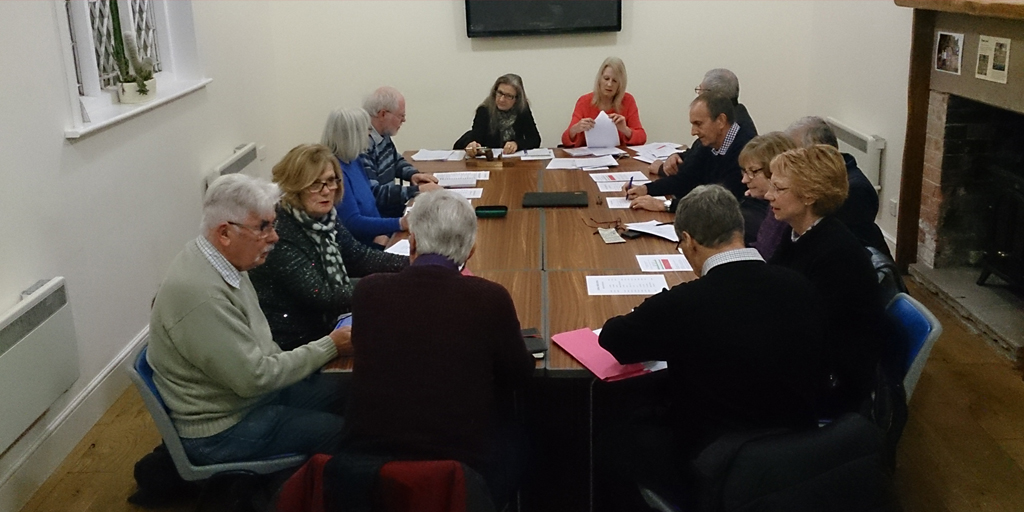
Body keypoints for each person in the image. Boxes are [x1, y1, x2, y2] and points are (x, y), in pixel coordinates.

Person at [595, 184, 826, 510]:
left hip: (716, 462)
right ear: (738, 229)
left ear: (688, 241)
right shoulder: (799, 285)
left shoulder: (684, 304)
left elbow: (614, 338)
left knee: (609, 440)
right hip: (803, 449)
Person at [343, 189, 535, 506]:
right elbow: (519, 374)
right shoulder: (489, 298)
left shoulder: (369, 290)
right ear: (471, 251)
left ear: (413, 243)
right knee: (521, 437)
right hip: (461, 475)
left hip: (369, 472)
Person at [147, 174, 351, 465]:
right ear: (225, 233)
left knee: (356, 390)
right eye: (263, 227)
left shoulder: (225, 261)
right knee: (344, 435)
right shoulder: (202, 294)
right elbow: (254, 379)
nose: (274, 237)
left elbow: (260, 355)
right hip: (225, 427)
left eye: (273, 224)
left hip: (252, 398)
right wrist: (330, 346)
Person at [766, 145, 889, 414]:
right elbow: (772, 286)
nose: (768, 195)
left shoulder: (836, 252)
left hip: (836, 381)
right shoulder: (798, 232)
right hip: (810, 358)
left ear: (809, 195)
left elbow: (809, 330)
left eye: (779, 189)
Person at [249, 144, 407, 351]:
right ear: (295, 186)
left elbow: (359, 257)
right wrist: (393, 284)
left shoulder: (325, 217)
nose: (327, 191)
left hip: (328, 326)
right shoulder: (279, 232)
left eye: (331, 181)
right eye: (315, 184)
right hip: (297, 344)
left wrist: (415, 262)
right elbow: (321, 293)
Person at [626, 93, 755, 213]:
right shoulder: (709, 141)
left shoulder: (744, 152)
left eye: (698, 124)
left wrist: (665, 205)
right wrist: (645, 189)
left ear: (721, 121)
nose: (693, 132)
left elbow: (718, 204)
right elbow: (686, 179)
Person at [785, 116, 889, 255]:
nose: (788, 159)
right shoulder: (819, 178)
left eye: (794, 154)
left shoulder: (854, 191)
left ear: (819, 152)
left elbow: (834, 248)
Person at [323, 107, 407, 248]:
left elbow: (371, 205)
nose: (369, 135)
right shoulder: (335, 171)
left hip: (376, 235)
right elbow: (352, 222)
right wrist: (398, 223)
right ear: (352, 135)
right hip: (360, 248)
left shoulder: (354, 160)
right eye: (367, 130)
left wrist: (383, 232)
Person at [653, 69, 757, 177]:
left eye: (700, 91)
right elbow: (697, 154)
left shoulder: (737, 133)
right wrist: (678, 157)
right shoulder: (738, 113)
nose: (698, 97)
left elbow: (697, 173)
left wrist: (662, 169)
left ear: (711, 96)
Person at [362, 86, 440, 217]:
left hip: (390, 209)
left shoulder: (382, 135)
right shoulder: (364, 143)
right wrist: (417, 190)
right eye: (401, 115)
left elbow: (395, 161)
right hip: (379, 216)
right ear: (383, 114)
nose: (404, 120)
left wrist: (413, 175)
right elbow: (375, 193)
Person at [561, 57, 647, 147]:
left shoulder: (628, 100)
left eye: (614, 81)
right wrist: (575, 129)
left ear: (620, 84)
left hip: (619, 157)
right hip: (589, 157)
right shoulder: (584, 101)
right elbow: (565, 140)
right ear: (599, 79)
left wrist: (625, 129)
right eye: (606, 79)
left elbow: (642, 137)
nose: (609, 84)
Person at [737, 132, 798, 259]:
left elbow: (764, 255)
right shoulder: (761, 203)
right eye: (744, 171)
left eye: (753, 171)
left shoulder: (783, 212)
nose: (744, 180)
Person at [456, 73, 541, 155]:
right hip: (490, 162)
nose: (502, 99)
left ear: (517, 99)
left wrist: (517, 144)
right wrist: (472, 146)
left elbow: (535, 140)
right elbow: (475, 139)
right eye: (500, 93)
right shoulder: (484, 111)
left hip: (514, 161)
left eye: (508, 96)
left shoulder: (522, 110)